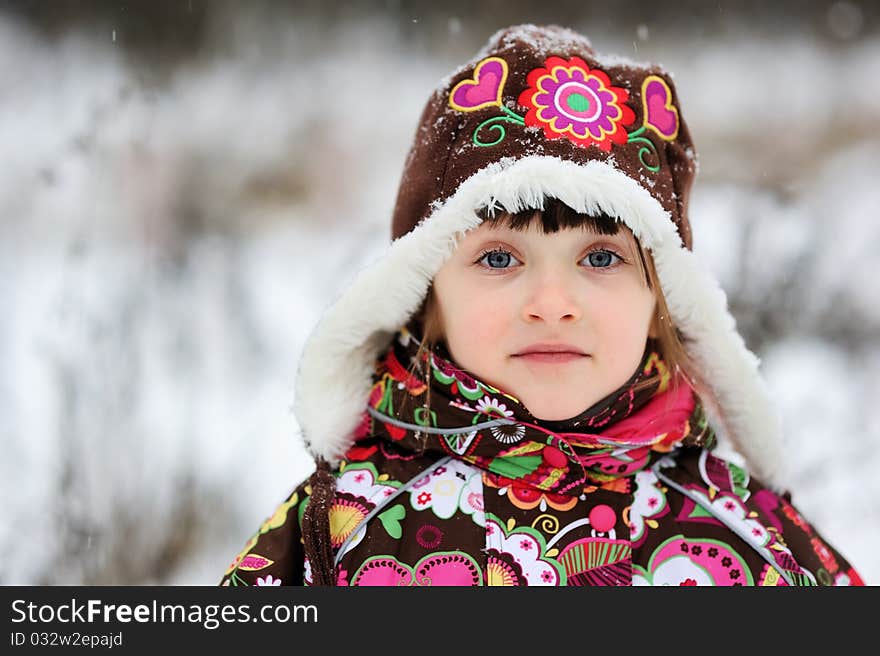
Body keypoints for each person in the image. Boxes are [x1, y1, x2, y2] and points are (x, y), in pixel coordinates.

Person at [220, 24, 863, 586]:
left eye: (602, 257)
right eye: (499, 258)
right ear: (423, 293)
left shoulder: (751, 541)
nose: (552, 305)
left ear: (662, 298)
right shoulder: (335, 532)